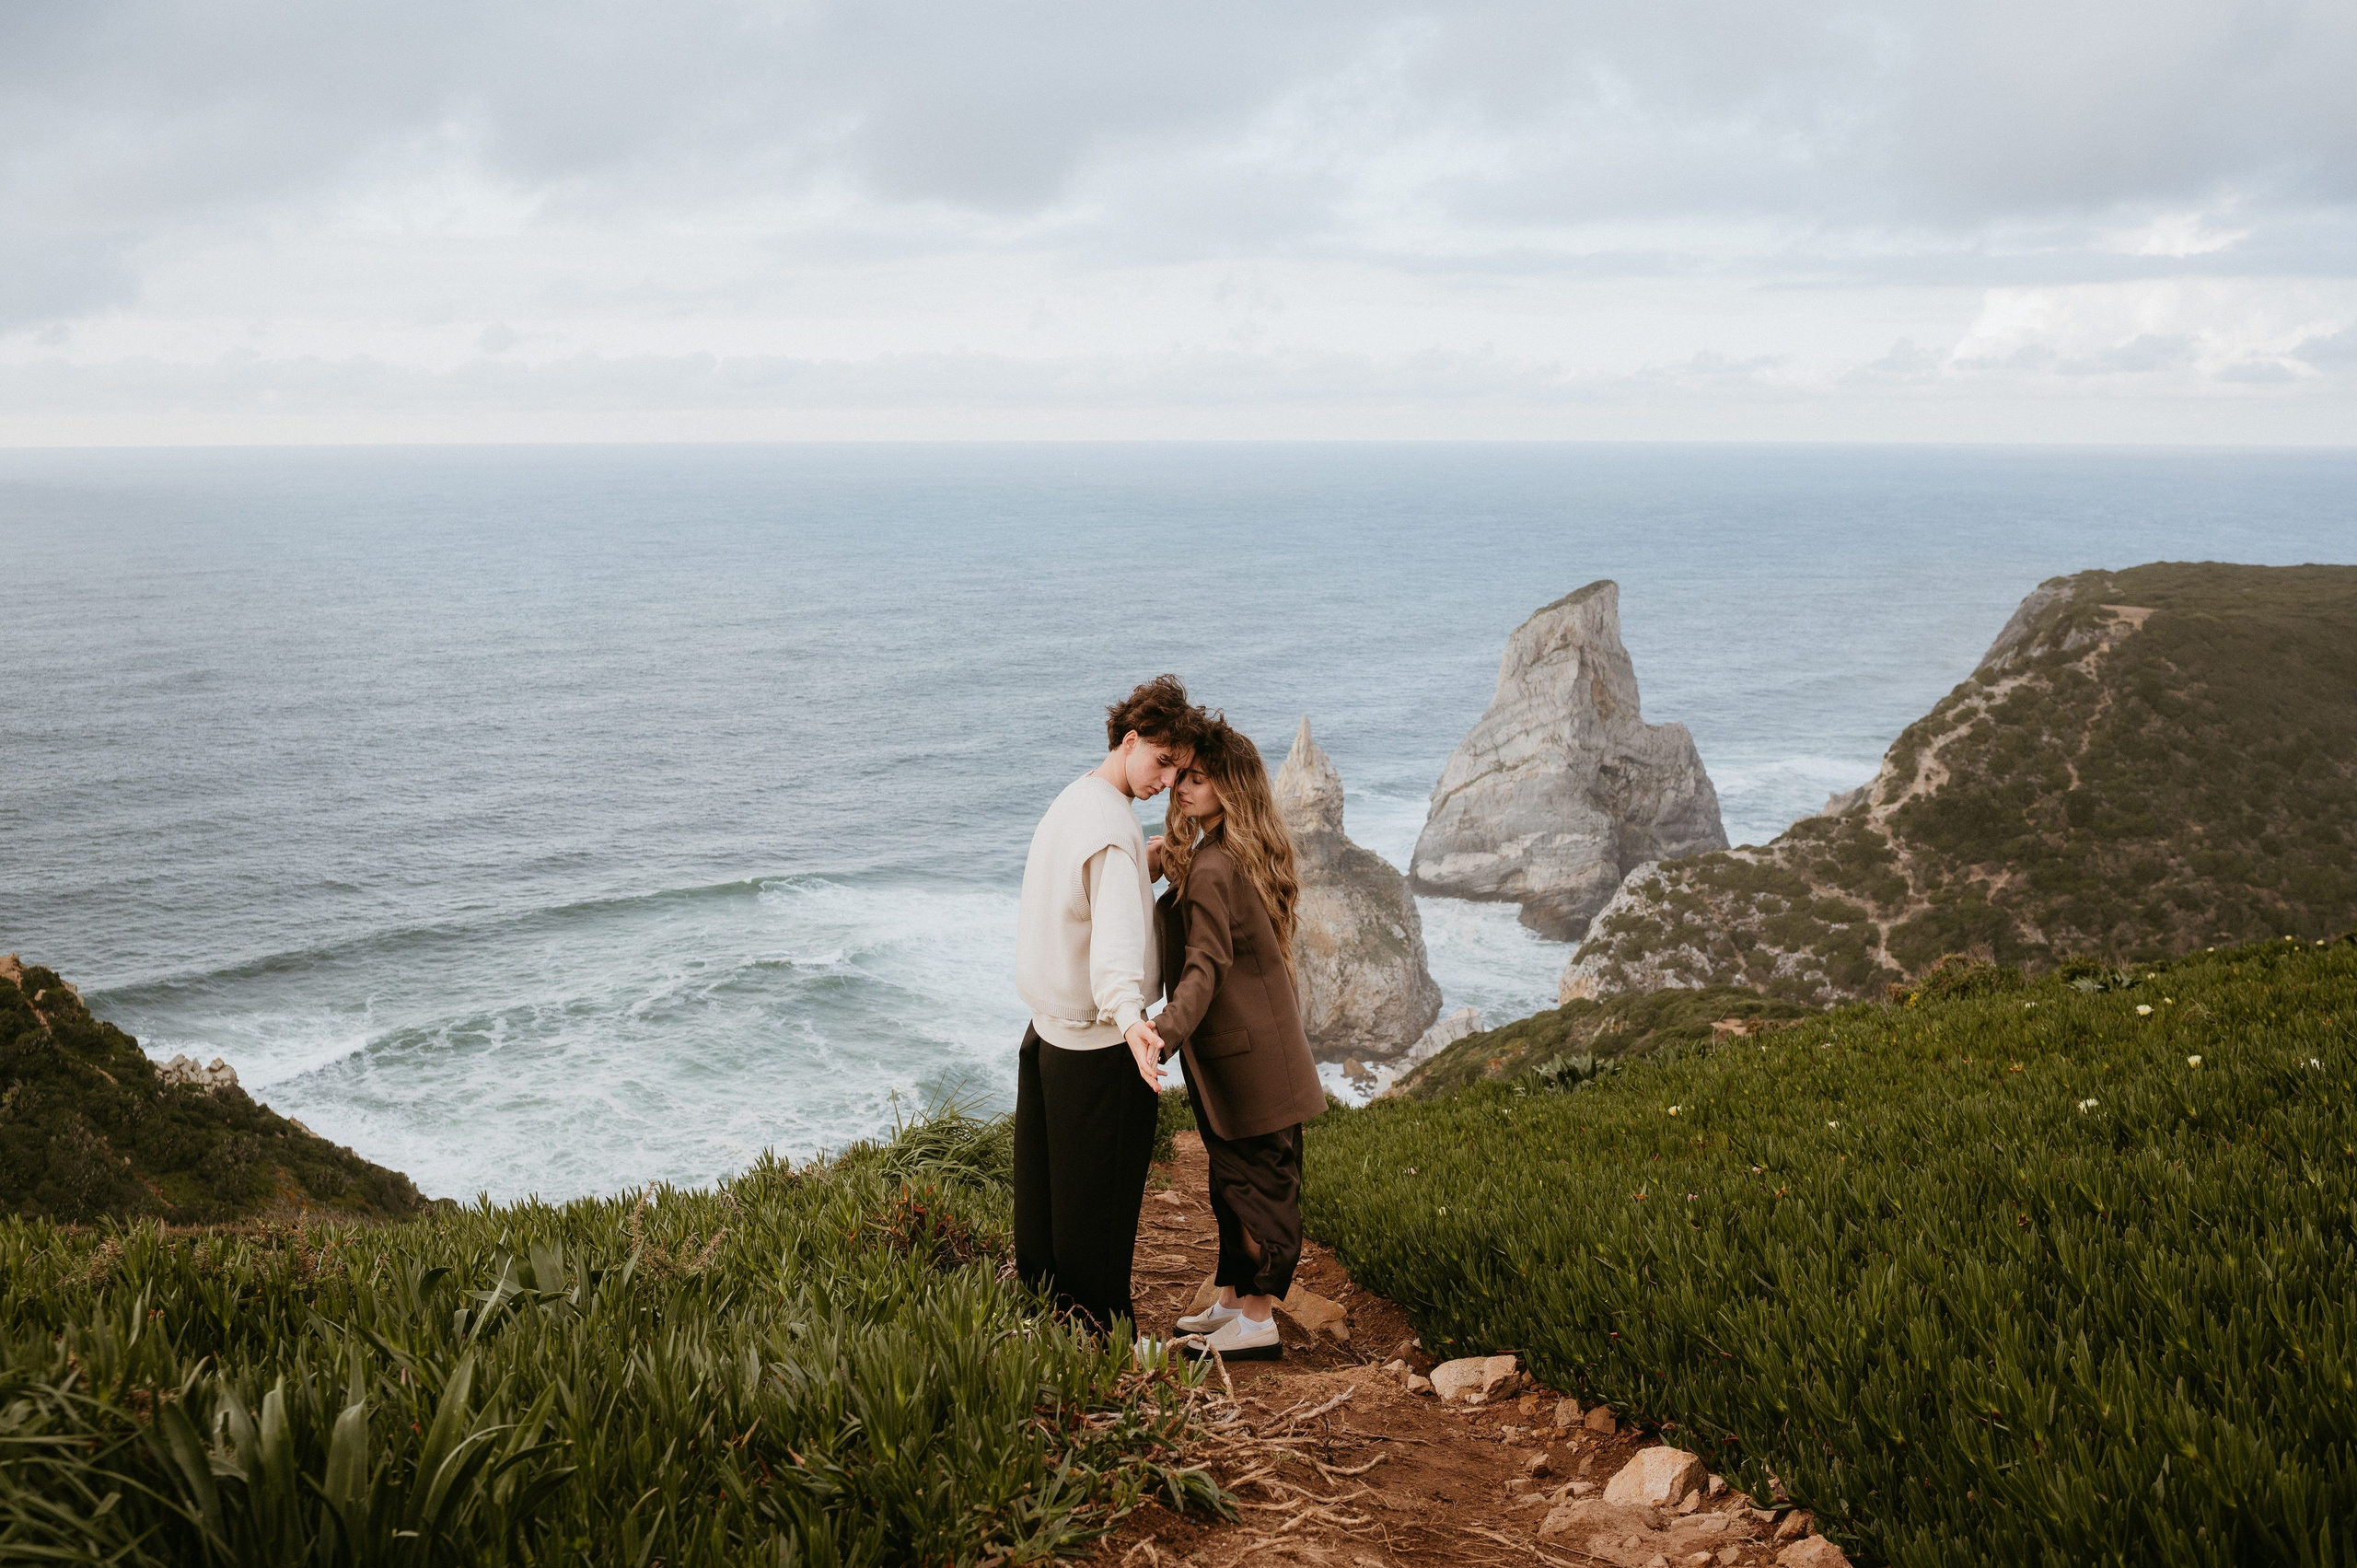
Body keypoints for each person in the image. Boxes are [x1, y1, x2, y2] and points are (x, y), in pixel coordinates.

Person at [1013, 675, 1207, 1336]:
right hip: (1099, 1052)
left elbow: (1085, 898)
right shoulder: (1111, 831)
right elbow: (1118, 948)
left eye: (1178, 772)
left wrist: (1145, 858)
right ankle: (1102, 1354)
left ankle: (1043, 1338)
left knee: (1046, 1218)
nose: (1167, 782)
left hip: (1045, 1040)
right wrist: (1135, 1022)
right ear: (1130, 740)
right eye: (1161, 762)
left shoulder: (1075, 802)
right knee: (1099, 1221)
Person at [1151, 718, 1328, 1362]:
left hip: (1254, 1067)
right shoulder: (1218, 852)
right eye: (1183, 777)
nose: (1183, 789)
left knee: (1260, 1188)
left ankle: (1258, 1320)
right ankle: (1230, 1300)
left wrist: (1160, 1033)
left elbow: (1205, 966)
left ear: (1229, 787)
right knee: (1232, 1184)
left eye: (1199, 779)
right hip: (1240, 1059)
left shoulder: (1218, 864)